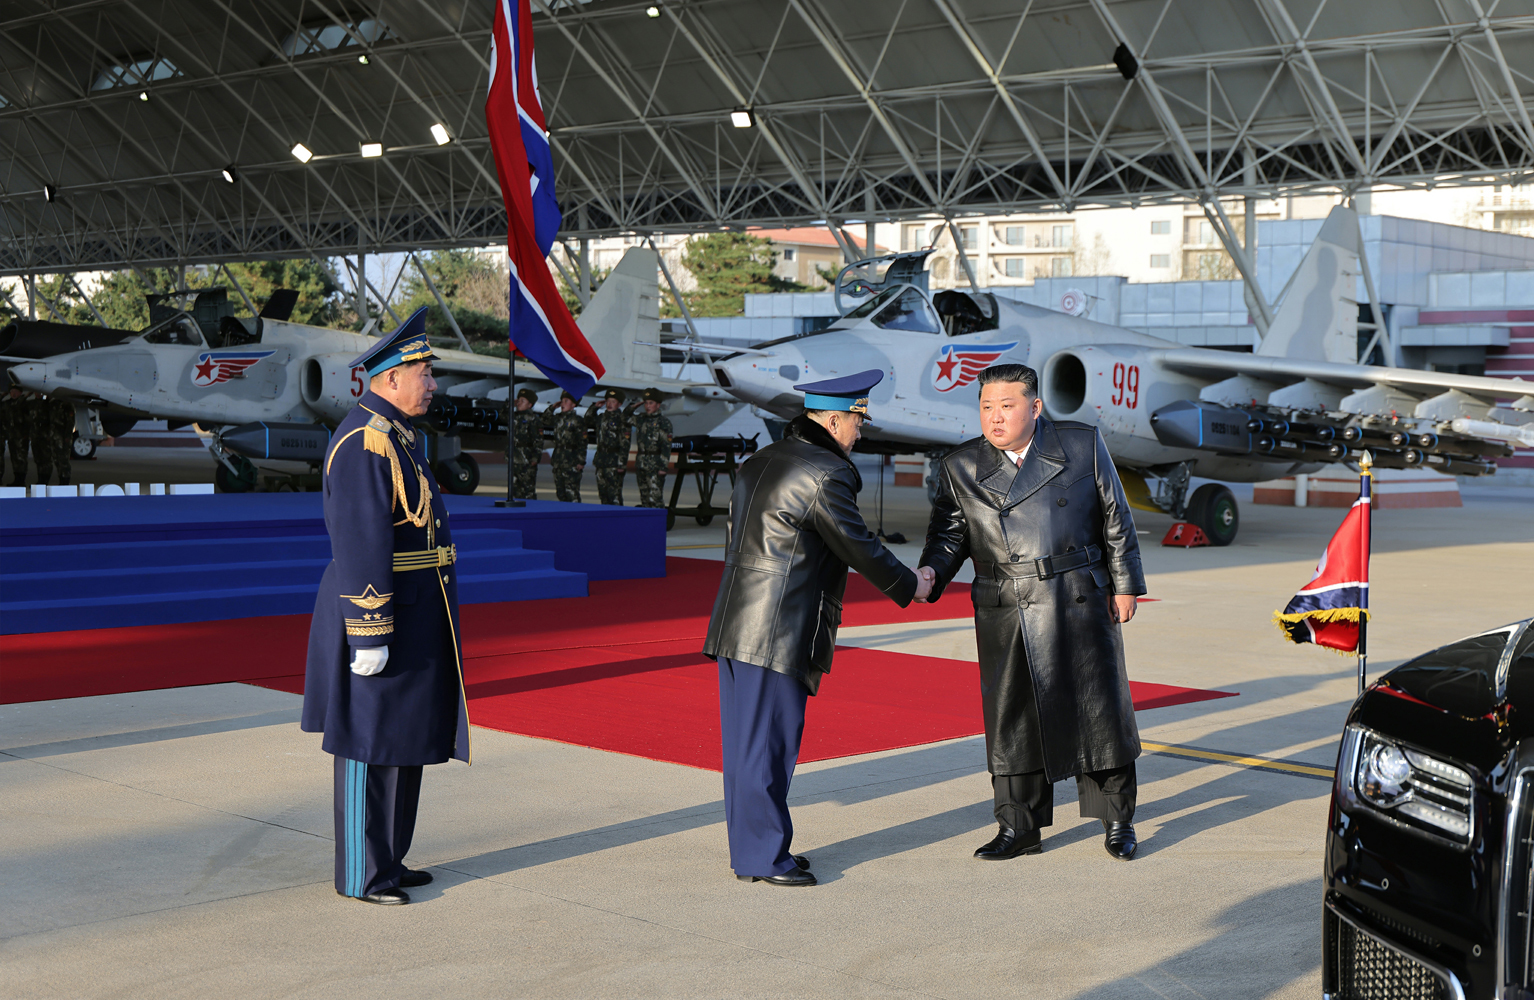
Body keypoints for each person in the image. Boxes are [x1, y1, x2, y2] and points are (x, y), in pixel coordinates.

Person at [703, 369, 931, 887]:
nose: (859, 432)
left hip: (737, 620)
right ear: (833, 419)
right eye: (856, 420)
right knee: (769, 746)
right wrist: (909, 584)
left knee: (745, 744)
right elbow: (857, 545)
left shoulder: (760, 460)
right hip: (778, 626)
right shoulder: (825, 470)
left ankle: (757, 848)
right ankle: (763, 857)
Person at [917, 363, 1147, 862]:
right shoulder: (961, 465)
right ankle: (1018, 827)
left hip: (1078, 594)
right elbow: (949, 534)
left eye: (1007, 406)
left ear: (1035, 407)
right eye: (986, 407)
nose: (995, 418)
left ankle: (1117, 821)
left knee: (1098, 711)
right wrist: (931, 573)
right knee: (1012, 720)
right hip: (1006, 604)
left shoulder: (1080, 445)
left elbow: (1116, 517)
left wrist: (1126, 585)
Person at [301, 307, 471, 906]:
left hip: (416, 606)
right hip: (375, 608)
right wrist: (369, 630)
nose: (432, 383)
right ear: (390, 377)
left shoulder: (399, 435)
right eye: (423, 372)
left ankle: (390, 861)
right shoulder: (364, 441)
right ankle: (361, 873)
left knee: (403, 737)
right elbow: (359, 538)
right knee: (369, 743)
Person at [584, 388, 638, 505]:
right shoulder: (601, 418)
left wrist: (621, 464)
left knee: (614, 495)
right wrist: (594, 407)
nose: (609, 404)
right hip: (601, 460)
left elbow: (625, 443)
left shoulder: (622, 420)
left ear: (619, 404)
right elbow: (587, 421)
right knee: (603, 494)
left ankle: (618, 520)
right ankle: (606, 520)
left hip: (614, 461)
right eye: (608, 401)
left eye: (613, 401)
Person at [543, 390, 587, 502]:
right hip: (558, 459)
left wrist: (581, 461)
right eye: (562, 401)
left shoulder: (578, 421)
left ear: (573, 405)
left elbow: (582, 442)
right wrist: (552, 407)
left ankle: (576, 517)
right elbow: (544, 419)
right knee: (560, 492)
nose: (562, 404)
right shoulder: (558, 418)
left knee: (572, 492)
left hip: (571, 459)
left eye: (566, 401)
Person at [632, 388, 673, 509]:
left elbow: (666, 446)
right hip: (641, 463)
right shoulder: (640, 419)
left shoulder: (664, 423)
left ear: (658, 405)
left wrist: (663, 467)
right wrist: (634, 406)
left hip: (655, 465)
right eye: (646, 403)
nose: (648, 406)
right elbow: (624, 418)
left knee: (655, 498)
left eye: (651, 403)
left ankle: (658, 524)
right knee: (644, 498)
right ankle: (646, 525)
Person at [510, 388, 543, 500]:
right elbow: (502, 415)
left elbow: (538, 440)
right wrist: (508, 404)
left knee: (528, 490)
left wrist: (535, 458)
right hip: (514, 458)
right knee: (515, 489)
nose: (519, 403)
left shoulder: (534, 419)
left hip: (527, 459)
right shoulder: (513, 416)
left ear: (530, 405)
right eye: (518, 400)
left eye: (522, 401)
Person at [1, 387, 28, 486]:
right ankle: (17, 480)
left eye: (16, 391)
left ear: (21, 392)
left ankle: (21, 480)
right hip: (11, 436)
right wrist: (2, 395)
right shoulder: (7, 404)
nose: (14, 393)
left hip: (21, 436)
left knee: (21, 458)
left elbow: (28, 420)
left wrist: (26, 434)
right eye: (12, 391)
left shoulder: (24, 404)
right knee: (14, 458)